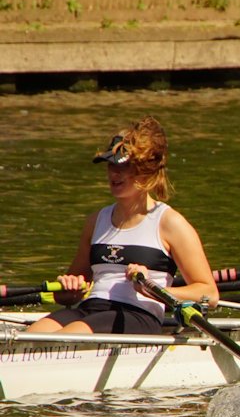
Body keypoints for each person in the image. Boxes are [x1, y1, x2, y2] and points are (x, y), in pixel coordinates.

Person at [27, 115, 219, 334]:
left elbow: (209, 294)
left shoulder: (170, 223)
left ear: (145, 169)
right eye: (110, 165)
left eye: (123, 166)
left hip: (137, 314)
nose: (113, 173)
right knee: (31, 335)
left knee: (71, 334)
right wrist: (69, 287)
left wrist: (153, 289)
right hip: (90, 309)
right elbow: (64, 296)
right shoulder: (95, 221)